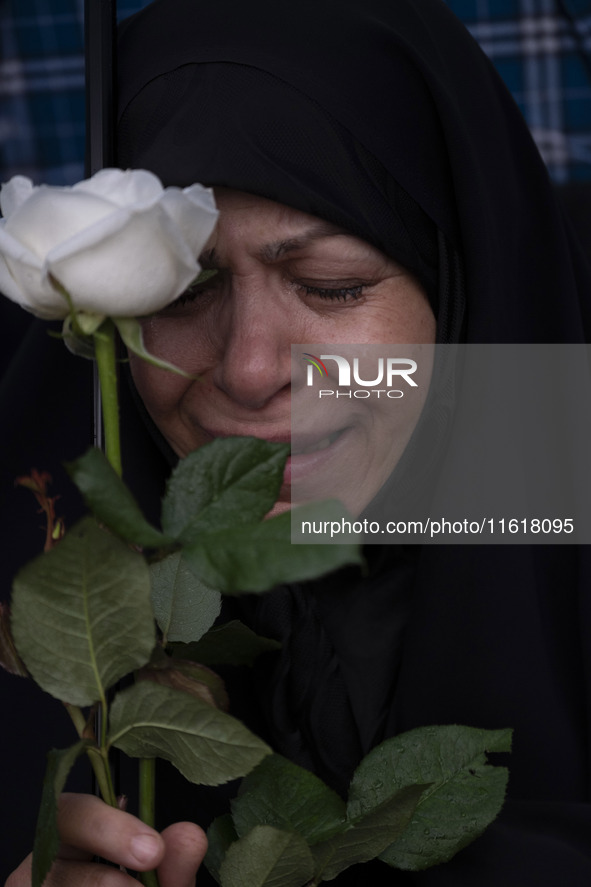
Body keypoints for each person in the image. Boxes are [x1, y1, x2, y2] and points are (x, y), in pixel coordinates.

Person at [3, 0, 591, 884]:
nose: (247, 369)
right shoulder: (46, 612)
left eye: (331, 286)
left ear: (464, 297)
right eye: (179, 292)